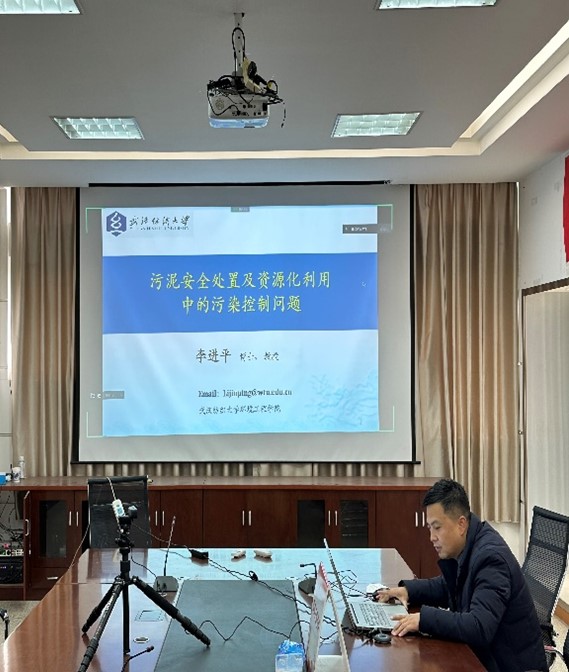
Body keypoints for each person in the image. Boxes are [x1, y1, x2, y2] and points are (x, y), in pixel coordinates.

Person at [375, 478, 547, 672]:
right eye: (429, 528)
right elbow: (449, 586)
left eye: (437, 527)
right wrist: (408, 591)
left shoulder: (491, 559)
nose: (432, 537)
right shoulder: (470, 544)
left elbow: (479, 627)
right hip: (485, 657)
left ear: (461, 524)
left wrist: (423, 620)